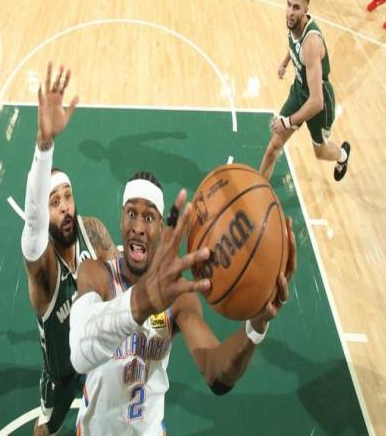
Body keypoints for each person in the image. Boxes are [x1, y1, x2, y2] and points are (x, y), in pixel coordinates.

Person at [69, 171, 297, 434]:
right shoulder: (96, 273)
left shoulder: (178, 296)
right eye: (131, 213)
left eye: (149, 217)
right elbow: (79, 349)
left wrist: (255, 327)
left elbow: (216, 373)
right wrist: (142, 300)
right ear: (121, 220)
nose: (138, 227)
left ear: (160, 229)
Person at [21, 62, 119, 436]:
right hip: (61, 373)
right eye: (54, 202)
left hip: (97, 356)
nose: (64, 207)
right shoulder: (44, 270)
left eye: (67, 196)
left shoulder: (92, 231)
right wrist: (43, 147)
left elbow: (119, 283)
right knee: (45, 429)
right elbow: (33, 226)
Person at [259, 0, 351, 181]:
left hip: (319, 102)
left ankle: (342, 156)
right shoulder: (293, 24)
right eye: (288, 5)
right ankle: (257, 189)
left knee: (321, 153)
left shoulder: (312, 43)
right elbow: (294, 43)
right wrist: (285, 62)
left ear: (306, 10)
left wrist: (287, 122)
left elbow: (316, 102)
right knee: (273, 147)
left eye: (296, 8)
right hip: (300, 91)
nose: (290, 12)